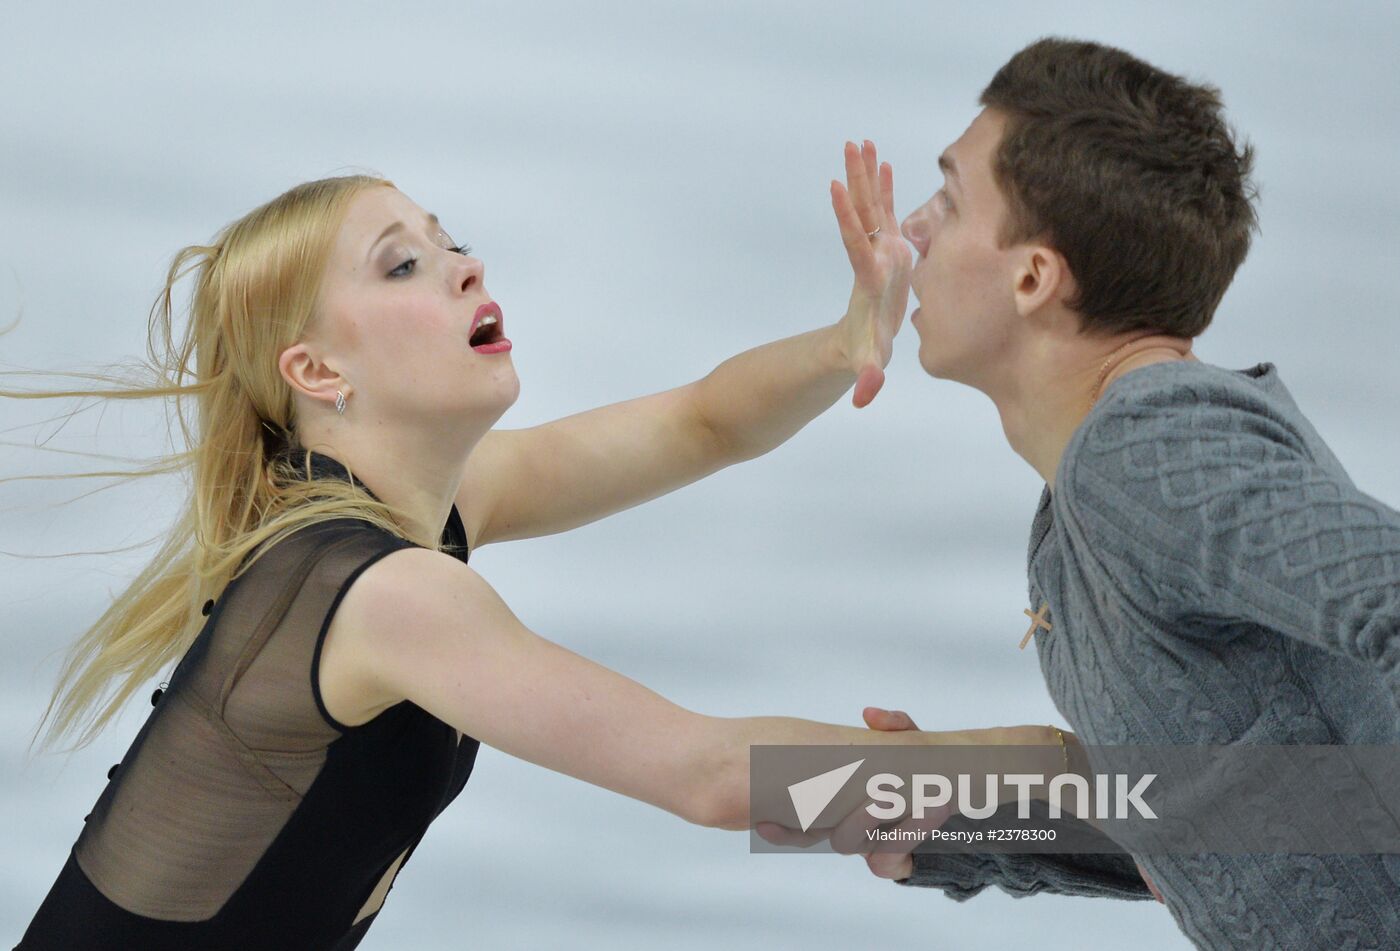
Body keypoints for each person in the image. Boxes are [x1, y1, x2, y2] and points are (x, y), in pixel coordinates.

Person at [8, 144, 1060, 950]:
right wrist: (1032, 783)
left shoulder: (414, 510)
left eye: (447, 238)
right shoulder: (382, 596)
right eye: (402, 265)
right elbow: (708, 776)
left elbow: (702, 422)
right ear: (318, 373)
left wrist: (844, 343)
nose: (464, 266)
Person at [821, 36, 1400, 950]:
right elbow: (1247, 815)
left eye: (947, 199)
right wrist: (962, 824)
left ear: (1034, 277)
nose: (911, 233)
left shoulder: (1148, 451)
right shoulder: (1090, 510)